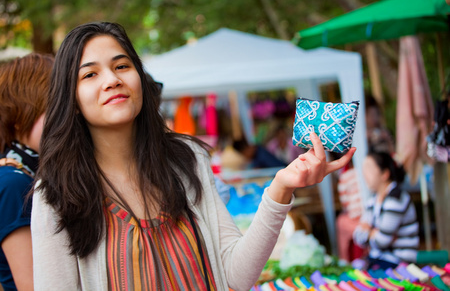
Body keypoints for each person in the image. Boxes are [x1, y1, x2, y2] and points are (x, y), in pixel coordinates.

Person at [30, 22, 355, 290]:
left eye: (121, 66)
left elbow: (235, 277)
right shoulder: (58, 192)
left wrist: (281, 188)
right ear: (71, 98)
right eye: (90, 74)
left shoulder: (187, 161)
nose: (112, 80)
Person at [0, 53, 54, 291]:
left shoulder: (36, 173)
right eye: (52, 109)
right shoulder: (13, 182)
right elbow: (32, 285)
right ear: (19, 118)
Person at [353, 151, 419, 270]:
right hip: (380, 258)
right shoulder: (372, 199)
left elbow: (381, 242)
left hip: (399, 262)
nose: (364, 174)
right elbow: (357, 237)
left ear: (385, 174)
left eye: (369, 169)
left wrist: (369, 230)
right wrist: (374, 233)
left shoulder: (397, 198)